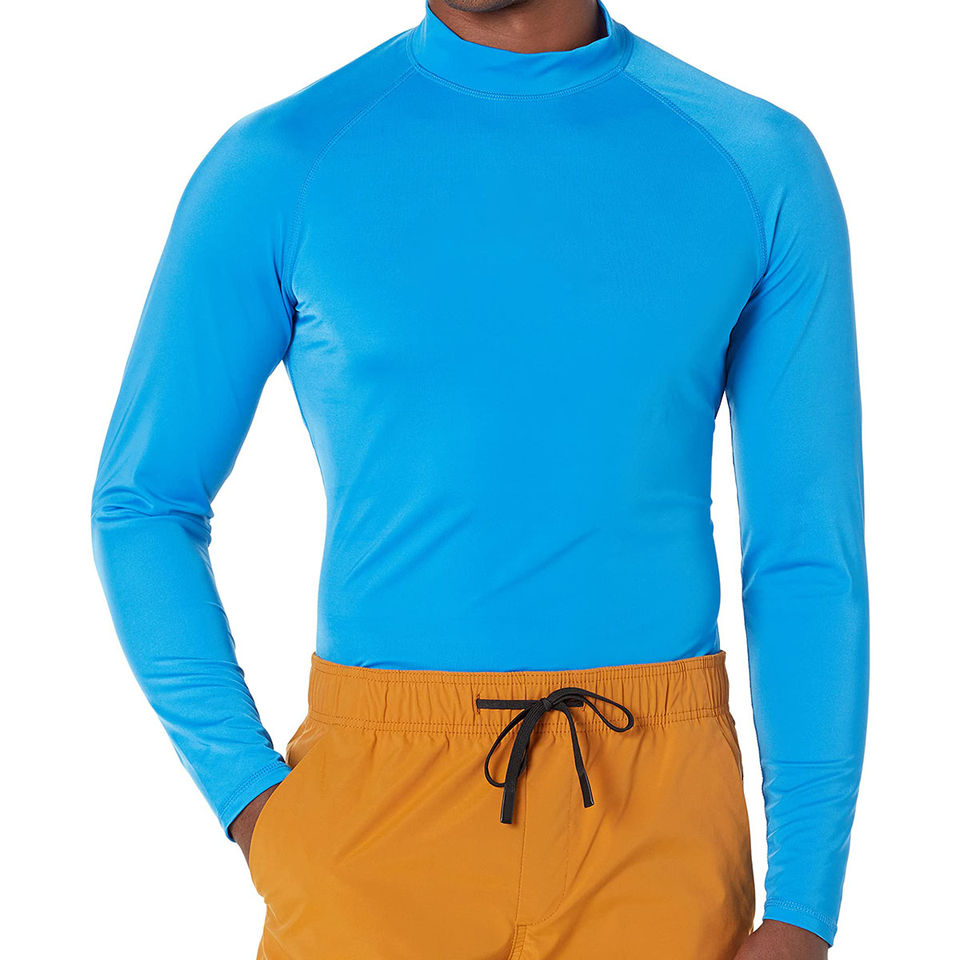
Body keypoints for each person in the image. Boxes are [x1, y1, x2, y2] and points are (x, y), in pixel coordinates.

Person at [91, 1, 868, 957]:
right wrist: (251, 800)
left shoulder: (755, 161)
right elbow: (144, 502)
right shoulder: (282, 163)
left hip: (659, 816)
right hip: (374, 820)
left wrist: (804, 904)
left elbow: (804, 552)